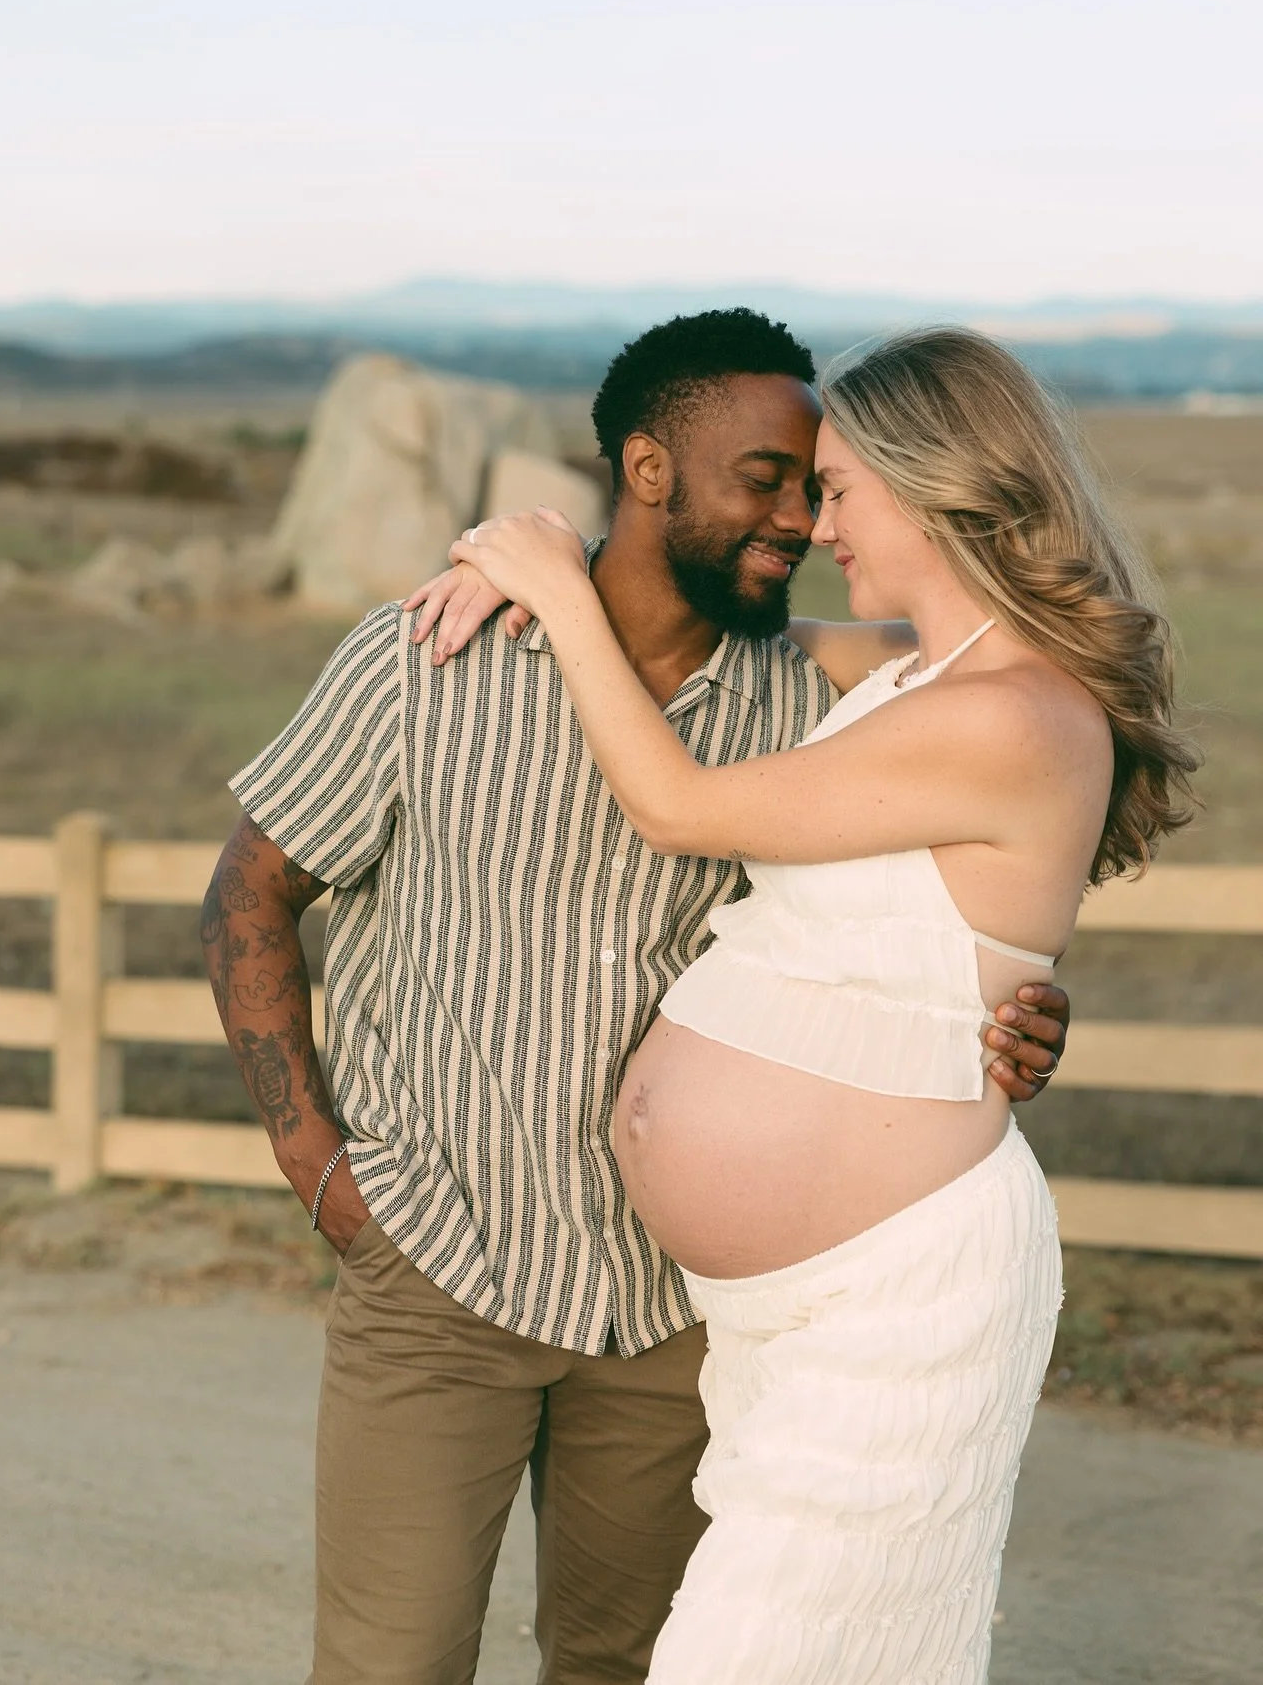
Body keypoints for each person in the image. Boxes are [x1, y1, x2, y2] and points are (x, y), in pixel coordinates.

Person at [200, 310, 1072, 1685]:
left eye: (816, 486)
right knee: (389, 1664)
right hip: (442, 1261)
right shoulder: (427, 658)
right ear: (652, 470)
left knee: (621, 1663)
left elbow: (984, 780)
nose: (796, 519)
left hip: (671, 1311)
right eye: (765, 480)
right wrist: (319, 1168)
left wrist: (1012, 998)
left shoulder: (808, 697)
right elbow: (247, 895)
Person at [439, 325, 1199, 1684]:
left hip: (893, 1298)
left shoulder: (1016, 713)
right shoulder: (917, 672)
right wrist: (557, 575)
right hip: (786, 1307)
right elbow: (736, 642)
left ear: (934, 485)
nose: (815, 520)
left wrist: (555, 590)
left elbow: (675, 803)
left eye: (839, 487)